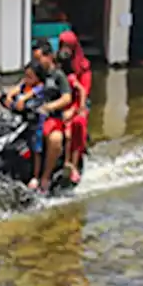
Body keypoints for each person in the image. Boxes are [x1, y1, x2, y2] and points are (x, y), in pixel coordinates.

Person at [32, 41, 72, 193]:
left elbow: (66, 98)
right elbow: (24, 83)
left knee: (55, 140)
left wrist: (50, 106)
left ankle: (45, 177)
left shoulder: (58, 76)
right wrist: (10, 96)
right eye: (35, 59)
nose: (37, 62)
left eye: (39, 58)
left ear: (49, 57)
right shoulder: (36, 72)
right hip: (34, 116)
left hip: (53, 118)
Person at [58, 30, 91, 182]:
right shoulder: (57, 65)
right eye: (62, 46)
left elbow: (84, 90)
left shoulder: (83, 67)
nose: (65, 50)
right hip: (59, 103)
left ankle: (73, 165)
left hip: (77, 105)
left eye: (68, 46)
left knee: (77, 124)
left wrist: (75, 109)